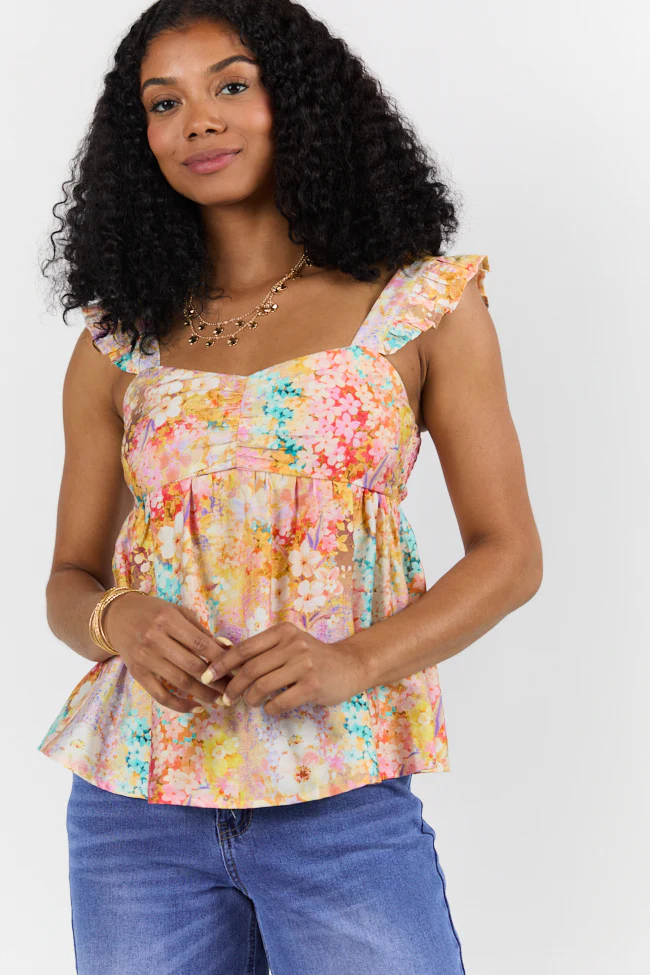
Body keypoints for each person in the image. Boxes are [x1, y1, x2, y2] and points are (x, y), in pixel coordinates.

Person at [38, 1, 543, 972]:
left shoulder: (418, 304)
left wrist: (351, 662)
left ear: (300, 103)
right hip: (133, 806)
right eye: (163, 102)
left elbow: (510, 555)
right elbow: (68, 580)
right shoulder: (117, 340)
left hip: (338, 794)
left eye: (231, 85)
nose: (198, 120)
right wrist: (118, 619)